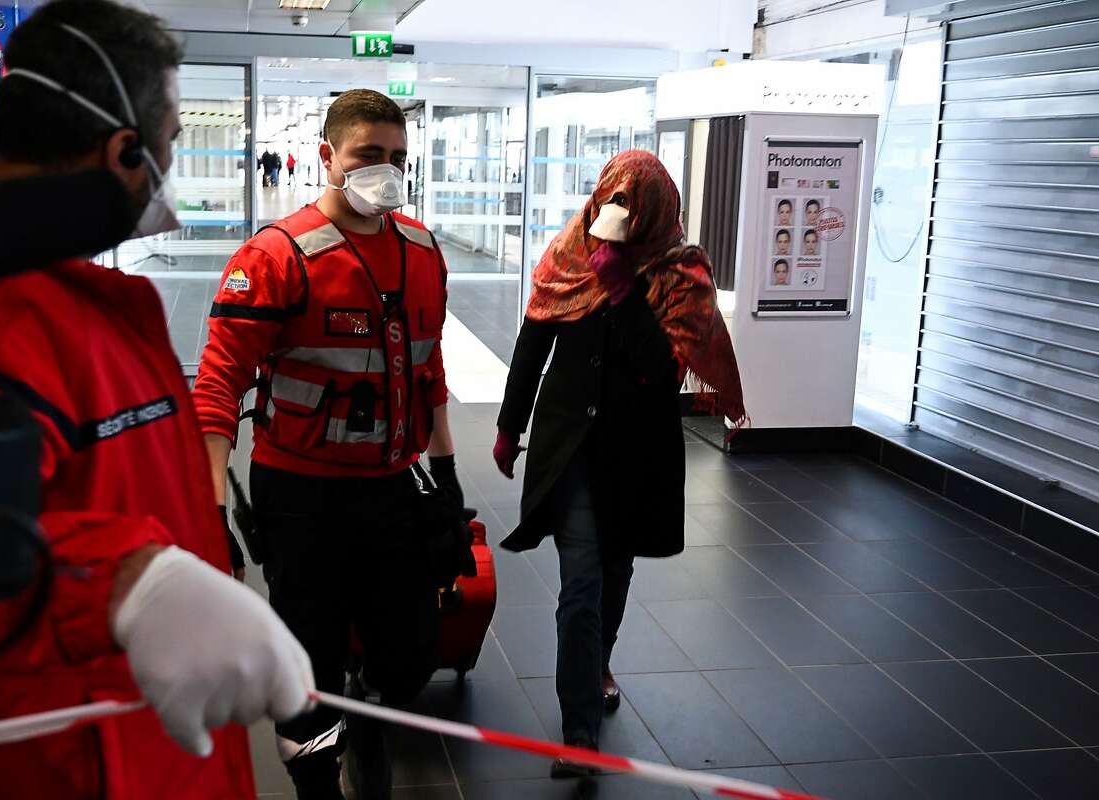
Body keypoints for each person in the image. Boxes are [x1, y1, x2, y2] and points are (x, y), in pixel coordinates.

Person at [0, 3, 317, 798]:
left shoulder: (98, 305)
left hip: (152, 743)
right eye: (167, 142)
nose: (167, 161)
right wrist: (124, 583)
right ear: (123, 150)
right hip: (61, 763)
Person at [193, 88, 464, 799]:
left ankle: (370, 716)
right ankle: (317, 779)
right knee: (306, 665)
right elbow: (218, 389)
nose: (387, 171)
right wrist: (208, 507)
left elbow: (430, 371)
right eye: (368, 156)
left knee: (411, 654)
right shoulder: (276, 257)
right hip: (302, 497)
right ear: (327, 158)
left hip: (394, 487)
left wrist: (448, 475)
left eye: (398, 158)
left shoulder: (423, 252)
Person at [493, 150, 746, 779]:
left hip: (636, 452)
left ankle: (597, 659)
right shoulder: (572, 251)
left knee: (613, 569)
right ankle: (578, 729)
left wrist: (625, 291)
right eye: (615, 201)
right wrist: (508, 424)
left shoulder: (682, 274)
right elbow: (535, 335)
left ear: (657, 211)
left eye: (634, 207)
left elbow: (660, 374)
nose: (620, 217)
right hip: (571, 447)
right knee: (580, 581)